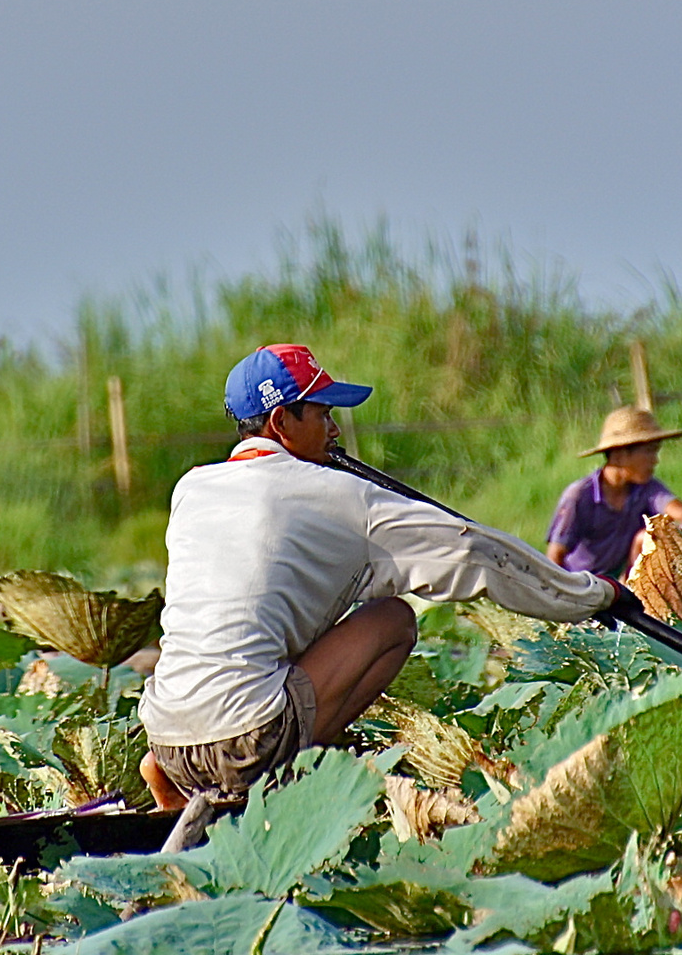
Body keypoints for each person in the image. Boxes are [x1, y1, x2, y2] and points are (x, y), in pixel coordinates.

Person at [138, 343, 639, 814]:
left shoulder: (191, 489)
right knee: (394, 620)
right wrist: (591, 593)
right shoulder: (337, 495)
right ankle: (284, 775)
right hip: (248, 736)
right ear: (280, 421)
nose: (334, 431)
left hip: (165, 736)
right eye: (323, 415)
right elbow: (474, 552)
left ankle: (175, 783)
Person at [545, 407, 682, 578]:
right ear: (619, 455)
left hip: (619, 586)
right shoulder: (580, 496)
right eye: (649, 452)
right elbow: (555, 556)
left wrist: (649, 537)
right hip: (581, 586)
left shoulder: (646, 489)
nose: (655, 460)